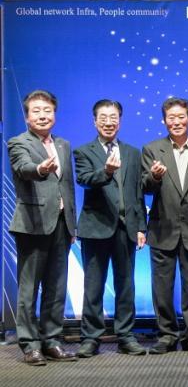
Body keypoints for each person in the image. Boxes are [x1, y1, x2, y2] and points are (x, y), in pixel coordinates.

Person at [141, 97, 188, 355]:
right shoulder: (152, 149)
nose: (176, 122)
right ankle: (167, 334)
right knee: (162, 287)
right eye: (171, 117)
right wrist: (154, 176)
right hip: (162, 227)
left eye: (181, 117)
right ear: (164, 121)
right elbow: (144, 187)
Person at [8, 90, 77, 365]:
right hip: (32, 224)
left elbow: (67, 187)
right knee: (29, 289)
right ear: (27, 117)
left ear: (54, 115)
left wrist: (72, 225)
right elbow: (23, 168)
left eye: (47, 110)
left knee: (56, 287)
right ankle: (30, 344)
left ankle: (51, 341)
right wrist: (40, 169)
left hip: (61, 224)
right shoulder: (18, 142)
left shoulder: (63, 145)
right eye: (36, 111)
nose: (42, 115)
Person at [74, 100, 147, 358]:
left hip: (126, 228)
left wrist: (141, 227)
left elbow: (137, 193)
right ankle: (90, 338)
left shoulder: (132, 153)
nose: (108, 122)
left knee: (126, 285)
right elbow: (84, 179)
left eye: (113, 117)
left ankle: (125, 336)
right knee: (93, 286)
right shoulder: (83, 151)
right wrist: (106, 171)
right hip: (95, 228)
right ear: (94, 121)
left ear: (120, 121)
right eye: (103, 117)